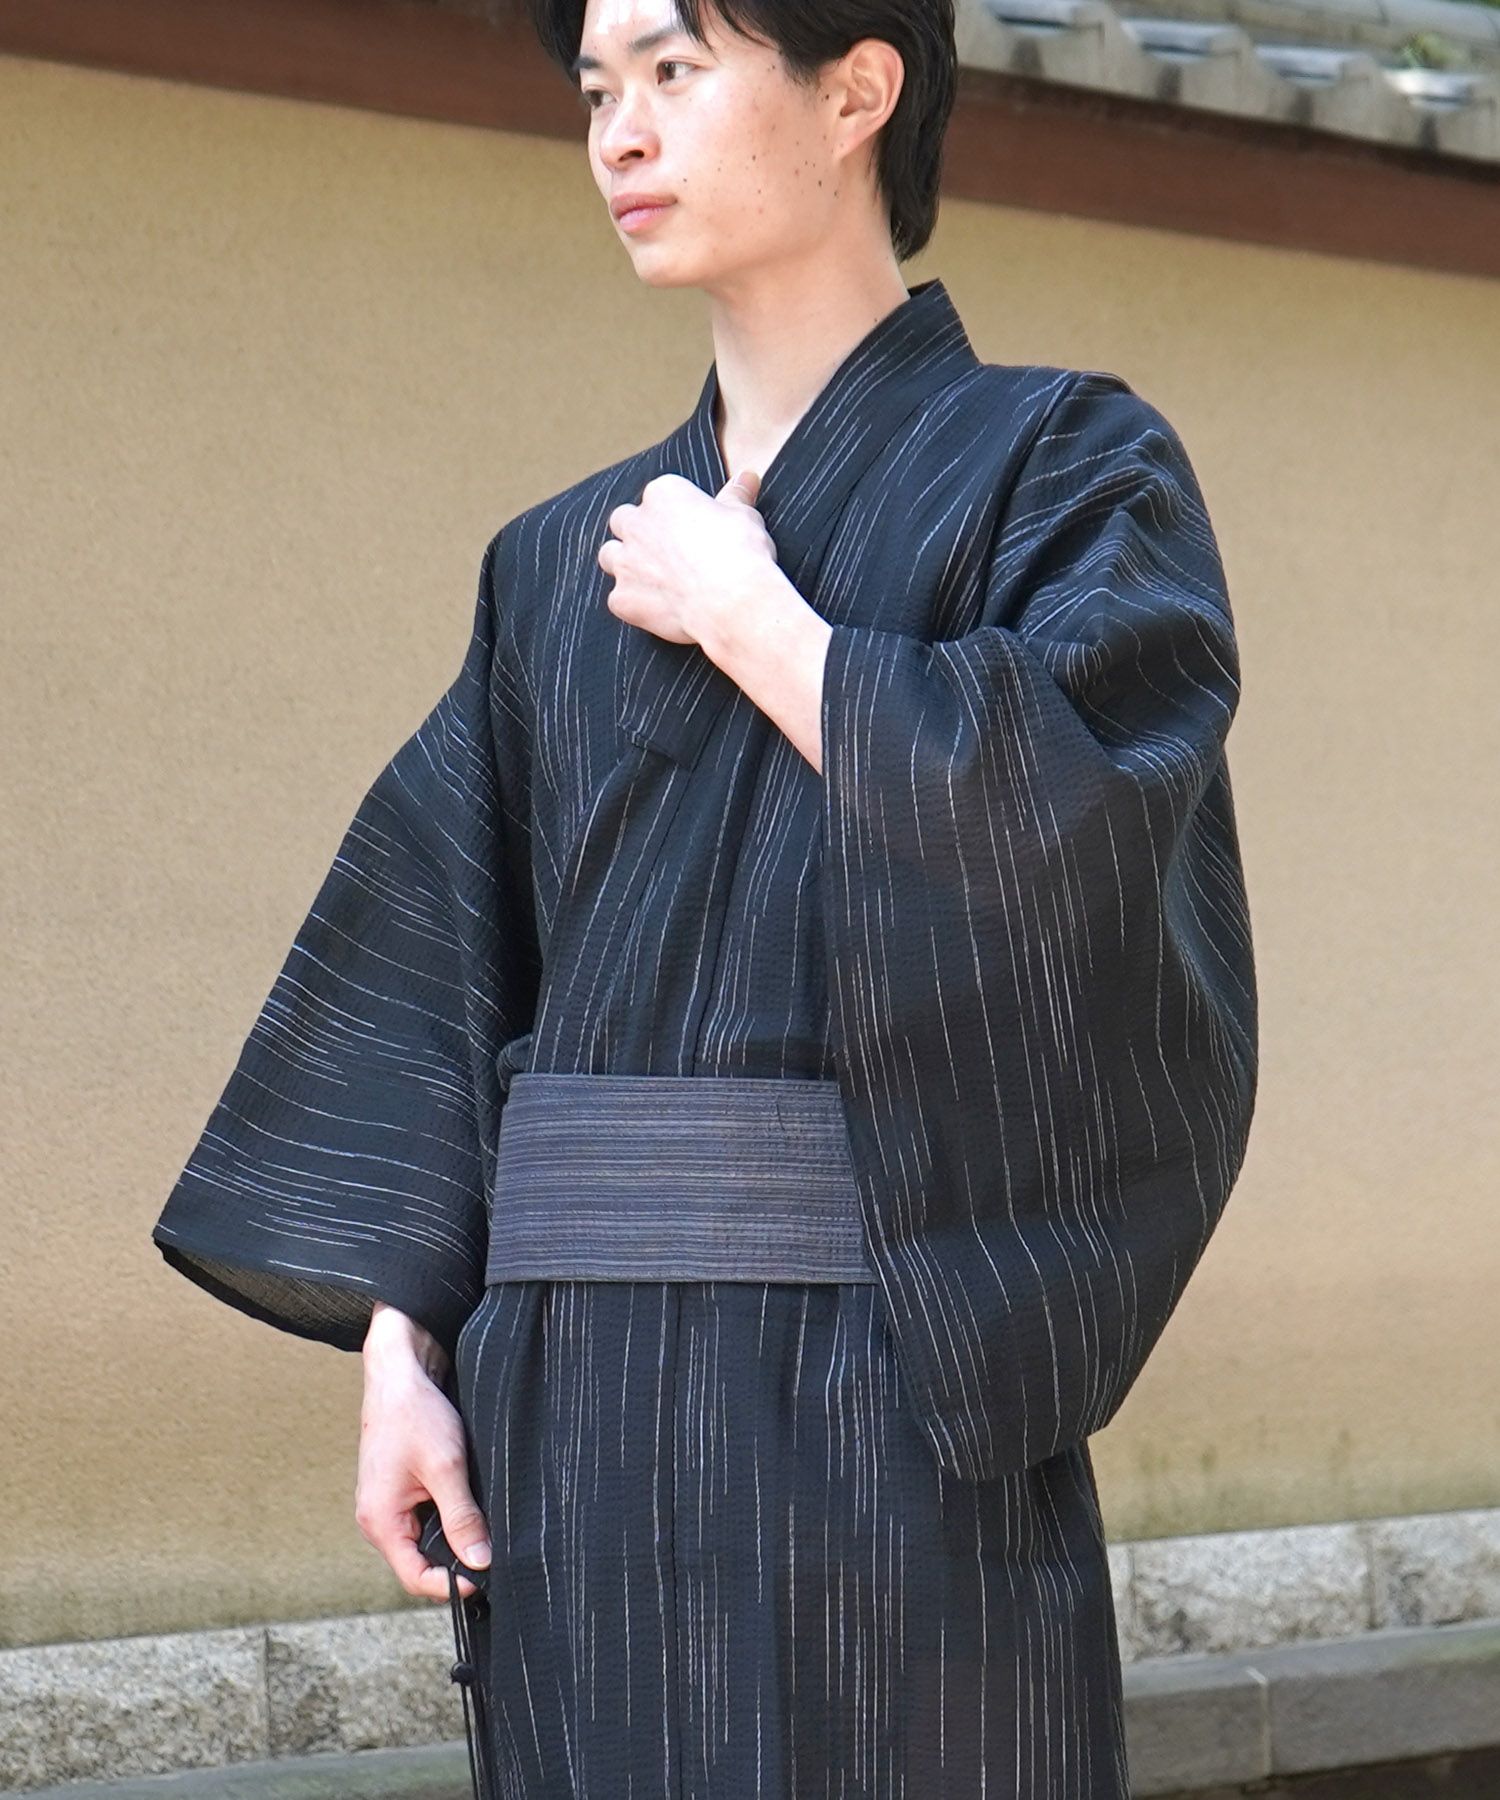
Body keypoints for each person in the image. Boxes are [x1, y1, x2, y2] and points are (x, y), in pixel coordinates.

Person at [151, 0, 1259, 1793]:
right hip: (569, 1413)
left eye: (674, 71)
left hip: (891, 1391)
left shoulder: (1065, 468)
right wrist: (401, 1347)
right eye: (598, 89)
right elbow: (442, 961)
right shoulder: (556, 565)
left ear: (858, 90)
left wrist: (762, 624)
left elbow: (1094, 836)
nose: (619, 132)